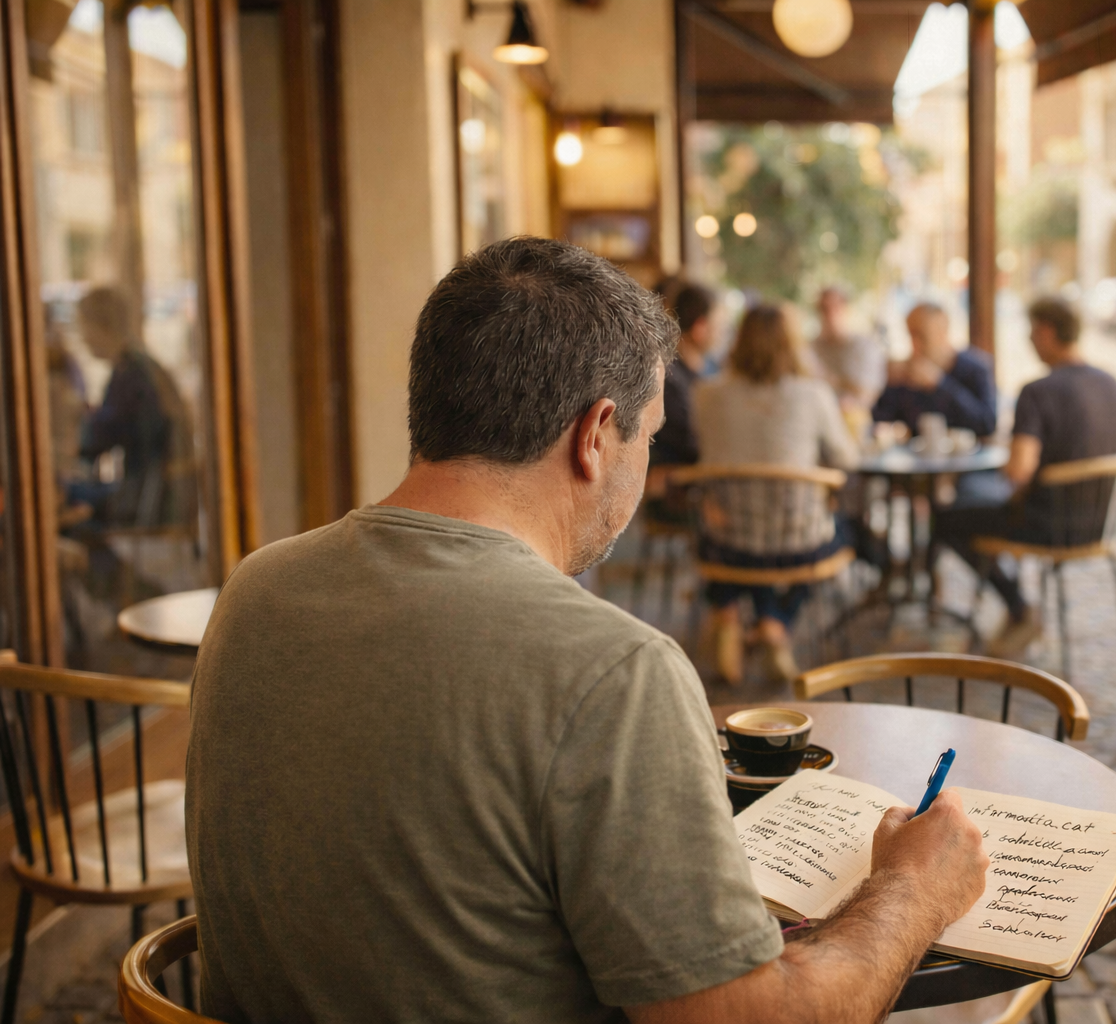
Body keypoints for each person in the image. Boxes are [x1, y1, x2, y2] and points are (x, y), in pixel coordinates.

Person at [187, 237, 988, 1024]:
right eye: (649, 432)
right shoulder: (613, 671)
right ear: (596, 433)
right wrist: (915, 888)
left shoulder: (255, 591)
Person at [930, 296, 1116, 657]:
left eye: (1032, 331)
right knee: (977, 493)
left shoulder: (1038, 391)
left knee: (946, 519)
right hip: (1097, 522)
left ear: (1047, 332)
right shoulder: (1109, 383)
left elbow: (1018, 470)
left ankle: (1020, 608)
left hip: (1048, 522)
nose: (1029, 339)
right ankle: (1017, 610)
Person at [693, 304, 860, 684]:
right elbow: (846, 458)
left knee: (750, 537)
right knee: (842, 532)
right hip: (796, 541)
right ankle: (775, 622)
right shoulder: (813, 394)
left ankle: (730, 613)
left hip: (727, 539)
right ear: (792, 344)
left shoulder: (707, 393)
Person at [72, 286, 194, 529]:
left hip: (147, 500)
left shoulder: (131, 375)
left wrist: (81, 417)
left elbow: (96, 440)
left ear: (101, 326)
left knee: (60, 497)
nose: (82, 337)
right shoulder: (140, 366)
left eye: (84, 327)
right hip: (156, 494)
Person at [872, 302, 997, 438]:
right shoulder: (906, 373)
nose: (914, 344)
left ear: (942, 332)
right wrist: (881, 381)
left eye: (921, 336)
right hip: (916, 457)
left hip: (969, 458)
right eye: (910, 335)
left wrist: (939, 384)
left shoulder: (976, 368)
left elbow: (987, 423)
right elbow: (879, 417)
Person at [648, 283, 716, 469]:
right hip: (681, 484)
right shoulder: (669, 379)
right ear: (700, 328)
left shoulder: (712, 368)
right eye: (718, 324)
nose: (722, 332)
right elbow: (690, 443)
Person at [811, 286, 885, 411]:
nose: (830, 315)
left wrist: (833, 381)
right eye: (824, 309)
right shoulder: (811, 347)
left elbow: (868, 393)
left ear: (846, 309)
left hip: (853, 417)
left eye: (835, 307)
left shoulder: (865, 347)